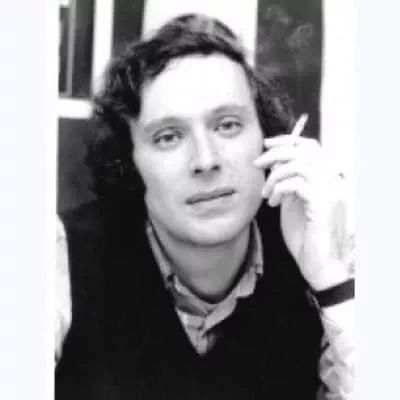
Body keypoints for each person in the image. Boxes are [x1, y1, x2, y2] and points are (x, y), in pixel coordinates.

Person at [55, 13, 354, 400]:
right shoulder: (61, 254)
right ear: (128, 160)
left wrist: (331, 281)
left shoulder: (323, 246)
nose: (206, 160)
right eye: (168, 137)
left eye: (228, 125)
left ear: (268, 138)